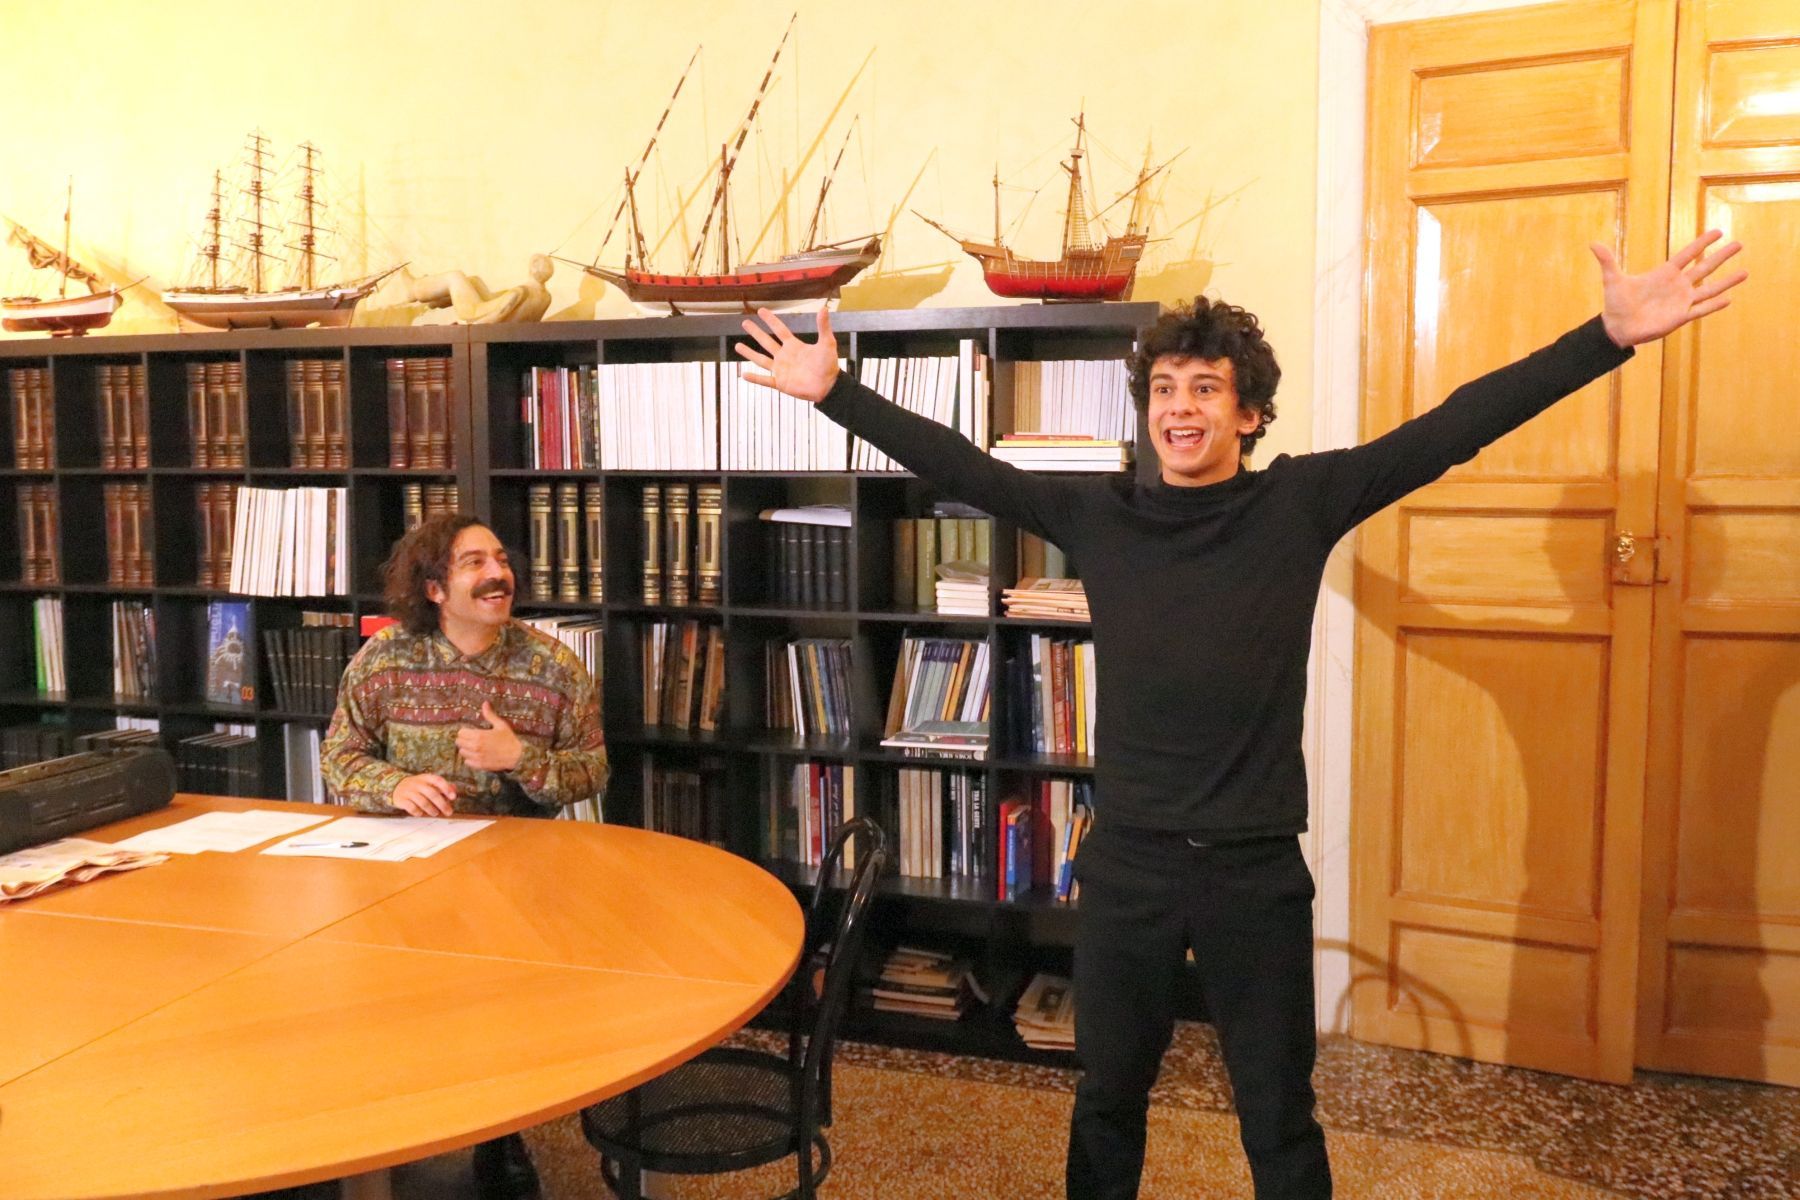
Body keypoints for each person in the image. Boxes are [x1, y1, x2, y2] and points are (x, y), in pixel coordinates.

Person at [734, 231, 1746, 1200]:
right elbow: (967, 468)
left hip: (1254, 871)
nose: (1182, 408)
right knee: (1106, 1100)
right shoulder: (1099, 515)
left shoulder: (1298, 505)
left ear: (1250, 413)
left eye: (1206, 389)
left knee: (1278, 1114)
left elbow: (1451, 429)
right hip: (1127, 864)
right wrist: (837, 393)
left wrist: (1605, 338)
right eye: (1165, 390)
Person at [320, 512, 609, 1199]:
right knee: (392, 1015)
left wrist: (520, 758)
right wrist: (395, 785)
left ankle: (497, 1139)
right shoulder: (385, 659)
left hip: (516, 883)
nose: (497, 574)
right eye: (474, 563)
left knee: (494, 1021)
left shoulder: (554, 666)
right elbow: (339, 756)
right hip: (402, 878)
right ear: (433, 589)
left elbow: (592, 772)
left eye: (500, 560)